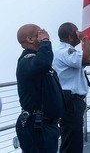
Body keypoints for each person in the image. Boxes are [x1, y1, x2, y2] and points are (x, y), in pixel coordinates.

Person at [15, 24, 65, 153]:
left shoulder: (38, 60)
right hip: (37, 126)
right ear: (31, 39)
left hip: (46, 126)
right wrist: (45, 42)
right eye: (40, 33)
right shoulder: (26, 61)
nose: (45, 34)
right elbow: (43, 63)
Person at [53, 22, 90, 153]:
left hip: (67, 100)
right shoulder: (67, 51)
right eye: (76, 32)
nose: (79, 33)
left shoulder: (61, 51)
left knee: (70, 139)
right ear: (71, 37)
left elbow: (83, 62)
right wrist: (85, 38)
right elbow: (89, 59)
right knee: (73, 142)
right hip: (71, 101)